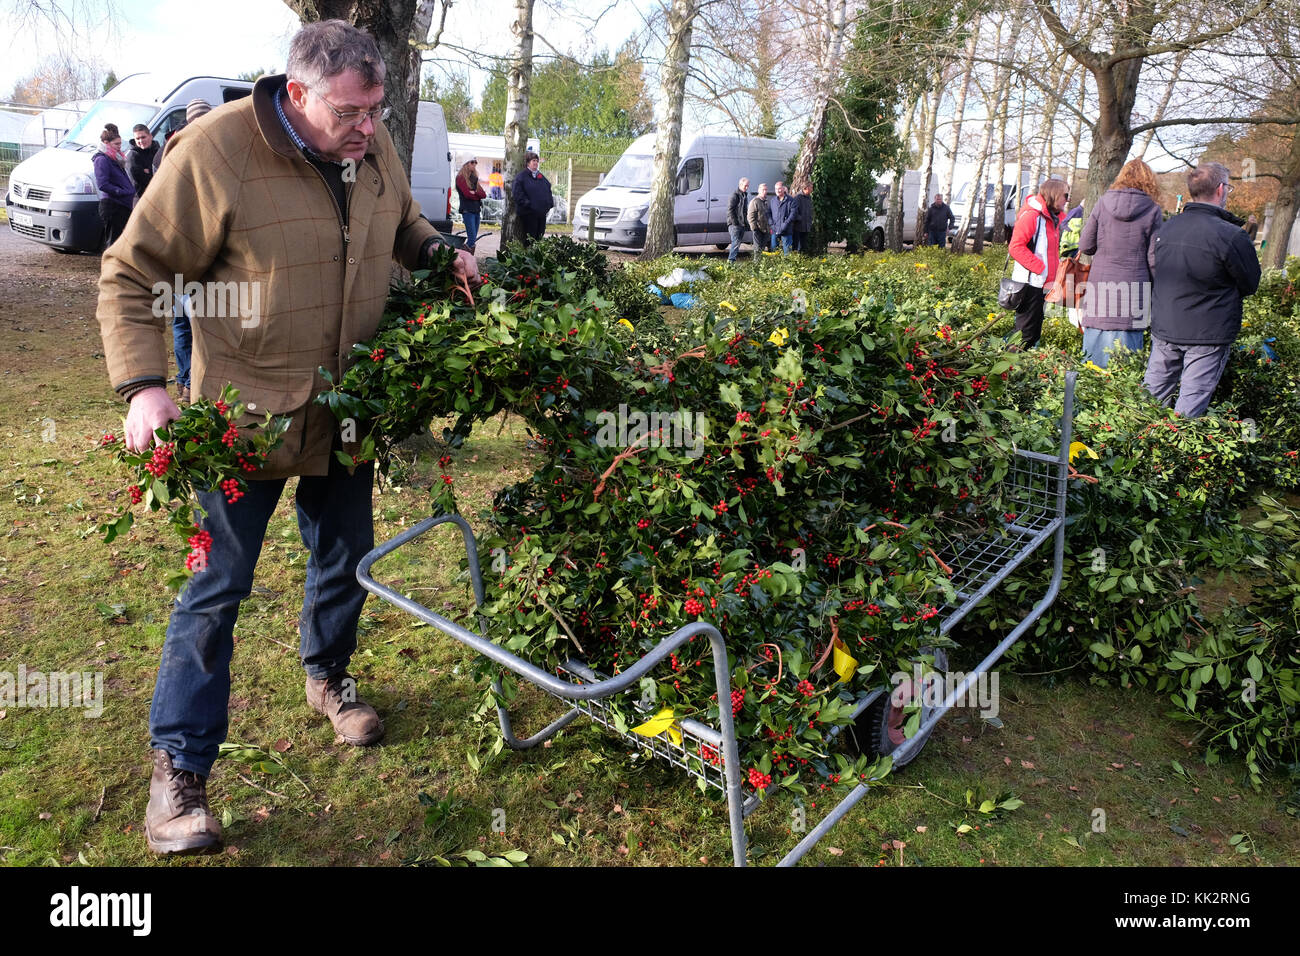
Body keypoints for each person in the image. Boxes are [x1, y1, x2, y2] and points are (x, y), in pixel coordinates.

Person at [97, 19, 478, 856]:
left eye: (376, 110)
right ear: (297, 92)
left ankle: (329, 679)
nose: (367, 127)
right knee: (216, 588)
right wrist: (144, 386)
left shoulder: (369, 148)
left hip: (349, 410)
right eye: (350, 111)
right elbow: (134, 271)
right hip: (244, 421)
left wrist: (440, 251)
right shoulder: (216, 152)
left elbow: (402, 225)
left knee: (346, 556)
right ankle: (180, 771)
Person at [1143, 162, 1260, 418]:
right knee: (1187, 413)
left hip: (1166, 327)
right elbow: (1250, 283)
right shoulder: (1232, 236)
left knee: (1149, 403)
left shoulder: (1166, 228)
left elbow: (1156, 270)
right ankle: (1173, 456)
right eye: (1228, 186)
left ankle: (1137, 452)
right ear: (1220, 189)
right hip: (1207, 334)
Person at [1077, 159, 1163, 368]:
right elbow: (1154, 259)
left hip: (1100, 289)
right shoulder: (1153, 210)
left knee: (1092, 358)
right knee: (1126, 366)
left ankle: (1084, 399)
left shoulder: (1103, 202)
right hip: (1134, 293)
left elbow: (1086, 245)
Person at [1007, 178, 1069, 348]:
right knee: (1024, 333)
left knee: (1033, 332)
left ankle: (1020, 367)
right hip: (1029, 283)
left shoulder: (1053, 218)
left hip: (1042, 283)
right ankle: (1008, 367)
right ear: (1054, 194)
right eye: (1065, 195)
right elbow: (1016, 247)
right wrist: (1039, 268)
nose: (1067, 199)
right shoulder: (1032, 216)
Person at [92, 124, 134, 248]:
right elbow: (103, 184)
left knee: (119, 241)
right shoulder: (102, 160)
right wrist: (121, 191)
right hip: (113, 206)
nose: (119, 147)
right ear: (106, 143)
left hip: (122, 205)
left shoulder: (115, 158)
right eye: (116, 144)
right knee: (113, 242)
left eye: (120, 144)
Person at [511, 151, 553, 246]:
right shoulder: (521, 177)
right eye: (533, 160)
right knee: (530, 239)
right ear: (528, 162)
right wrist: (529, 205)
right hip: (529, 214)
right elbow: (518, 194)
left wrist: (549, 204)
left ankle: (536, 259)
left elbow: (548, 189)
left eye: (537, 161)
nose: (535, 163)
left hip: (541, 213)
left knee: (539, 237)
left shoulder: (541, 177)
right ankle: (528, 259)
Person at [456, 158, 487, 252]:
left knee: (472, 240)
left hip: (476, 210)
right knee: (472, 239)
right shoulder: (460, 178)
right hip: (467, 211)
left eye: (475, 162)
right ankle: (459, 256)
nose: (475, 164)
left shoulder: (474, 178)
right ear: (466, 164)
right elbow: (467, 194)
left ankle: (466, 260)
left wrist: (475, 193)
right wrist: (476, 194)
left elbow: (483, 195)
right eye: (472, 162)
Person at [125, 124, 160, 199]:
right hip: (143, 199)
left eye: (143, 137)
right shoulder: (132, 156)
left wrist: (149, 171)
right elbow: (139, 182)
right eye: (137, 138)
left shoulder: (158, 151)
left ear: (150, 136)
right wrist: (153, 172)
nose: (141, 141)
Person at [726, 177, 749, 263]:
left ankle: (732, 261)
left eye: (748, 186)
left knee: (737, 244)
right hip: (735, 224)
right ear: (740, 185)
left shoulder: (744, 195)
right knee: (735, 243)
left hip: (741, 224)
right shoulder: (735, 195)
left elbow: (744, 211)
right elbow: (730, 210)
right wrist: (735, 222)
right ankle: (731, 262)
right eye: (745, 186)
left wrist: (745, 223)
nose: (747, 188)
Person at [769, 180, 795, 253]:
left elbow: (792, 214)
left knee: (787, 252)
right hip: (775, 229)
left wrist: (785, 224)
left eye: (779, 188)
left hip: (786, 230)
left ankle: (786, 264)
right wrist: (771, 224)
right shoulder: (773, 200)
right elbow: (768, 213)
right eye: (776, 189)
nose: (778, 190)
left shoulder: (790, 200)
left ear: (783, 189)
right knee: (774, 250)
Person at [747, 183, 771, 261]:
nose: (764, 191)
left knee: (762, 249)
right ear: (759, 191)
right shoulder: (755, 201)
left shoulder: (766, 202)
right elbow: (750, 216)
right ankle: (756, 266)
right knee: (757, 250)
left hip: (765, 230)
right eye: (763, 190)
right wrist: (754, 228)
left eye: (766, 190)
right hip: (758, 230)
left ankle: (761, 266)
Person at [793, 181, 813, 253]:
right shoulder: (798, 197)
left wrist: (810, 220)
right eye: (811, 187)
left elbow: (810, 211)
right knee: (797, 247)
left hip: (806, 226)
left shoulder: (809, 197)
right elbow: (794, 212)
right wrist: (800, 219)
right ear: (806, 188)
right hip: (798, 227)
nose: (812, 189)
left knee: (804, 247)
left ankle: (803, 262)